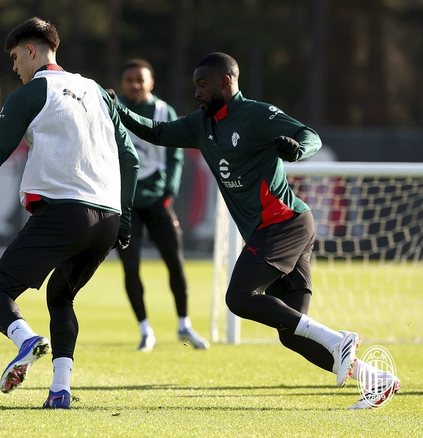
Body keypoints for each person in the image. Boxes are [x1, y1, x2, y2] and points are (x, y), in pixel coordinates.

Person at [109, 52, 400, 409]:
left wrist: (296, 150)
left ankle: (339, 340)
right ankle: (377, 379)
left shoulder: (256, 114)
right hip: (275, 230)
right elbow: (155, 132)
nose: (197, 92)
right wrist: (116, 108)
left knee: (238, 297)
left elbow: (310, 136)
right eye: (195, 85)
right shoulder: (201, 124)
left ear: (226, 82)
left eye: (203, 85)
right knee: (292, 335)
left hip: (285, 223)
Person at [0, 17, 139, 409]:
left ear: (32, 50)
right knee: (61, 298)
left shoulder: (32, 94)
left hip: (64, 214)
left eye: (15, 57)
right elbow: (130, 159)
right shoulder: (99, 92)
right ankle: (60, 390)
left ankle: (27, 340)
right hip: (108, 218)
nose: (14, 67)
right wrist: (126, 221)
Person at [116, 59, 209, 352]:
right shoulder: (112, 107)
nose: (134, 84)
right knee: (130, 267)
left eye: (140, 79)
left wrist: (169, 192)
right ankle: (145, 330)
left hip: (158, 201)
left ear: (151, 83)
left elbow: (175, 156)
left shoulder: (162, 110)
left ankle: (184, 325)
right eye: (129, 79)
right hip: (125, 204)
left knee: (175, 263)